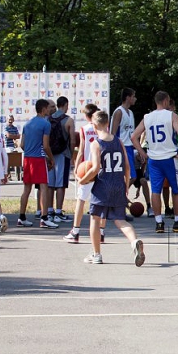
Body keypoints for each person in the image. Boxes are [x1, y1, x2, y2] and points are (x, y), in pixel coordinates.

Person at [78, 110, 145, 266]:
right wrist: (126, 184)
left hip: (102, 186)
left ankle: (96, 254)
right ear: (108, 123)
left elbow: (95, 168)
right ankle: (134, 241)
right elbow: (127, 166)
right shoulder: (118, 141)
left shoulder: (96, 144)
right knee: (120, 220)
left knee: (95, 219)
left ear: (94, 125)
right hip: (118, 184)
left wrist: (83, 179)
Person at [131, 91, 178, 233]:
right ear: (166, 101)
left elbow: (134, 136)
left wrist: (143, 153)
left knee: (155, 190)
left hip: (154, 159)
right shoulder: (171, 115)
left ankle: (159, 222)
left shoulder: (147, 117)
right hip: (170, 157)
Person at [64, 103, 104, 243]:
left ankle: (75, 231)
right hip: (100, 168)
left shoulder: (84, 129)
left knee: (81, 200)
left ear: (87, 116)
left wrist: (76, 166)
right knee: (102, 202)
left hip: (87, 168)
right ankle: (102, 233)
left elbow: (81, 149)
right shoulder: (104, 129)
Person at [17, 99, 56, 228]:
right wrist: (51, 158)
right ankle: (44, 218)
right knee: (44, 186)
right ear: (44, 109)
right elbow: (45, 145)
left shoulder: (27, 124)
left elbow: (22, 144)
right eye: (49, 108)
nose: (50, 110)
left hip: (27, 159)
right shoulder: (45, 124)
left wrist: (30, 151)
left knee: (26, 189)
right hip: (38, 159)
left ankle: (21, 217)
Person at [46, 96, 76, 223]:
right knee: (61, 184)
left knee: (50, 184)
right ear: (66, 104)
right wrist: (72, 154)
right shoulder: (68, 120)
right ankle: (58, 212)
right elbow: (73, 140)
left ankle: (49, 211)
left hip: (50, 154)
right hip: (63, 154)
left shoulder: (48, 119)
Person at [110, 87, 138, 189]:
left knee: (129, 177)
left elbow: (132, 133)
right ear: (127, 97)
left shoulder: (130, 113)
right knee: (131, 176)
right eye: (133, 96)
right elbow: (113, 132)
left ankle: (121, 196)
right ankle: (120, 195)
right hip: (121, 147)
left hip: (130, 147)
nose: (135, 99)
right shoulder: (119, 112)